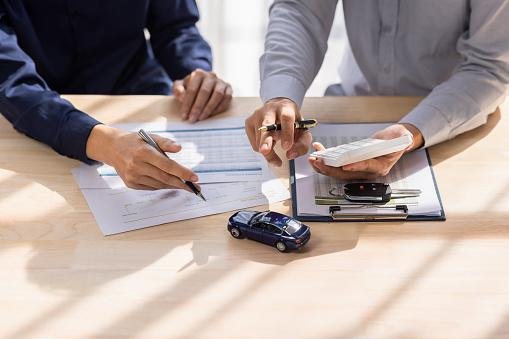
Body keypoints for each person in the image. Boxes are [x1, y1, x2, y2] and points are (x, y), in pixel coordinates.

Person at [245, 0, 509, 180]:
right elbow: (301, 9)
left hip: (455, 125)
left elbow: (490, 66)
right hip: (353, 103)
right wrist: (282, 92)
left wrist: (411, 132)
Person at [0, 0, 232, 190]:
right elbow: (12, 81)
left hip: (141, 93)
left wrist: (194, 72)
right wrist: (104, 143)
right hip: (38, 114)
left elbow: (176, 26)